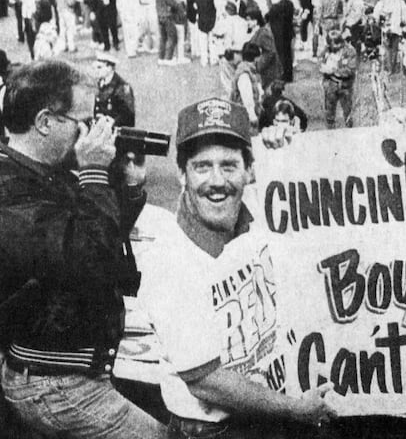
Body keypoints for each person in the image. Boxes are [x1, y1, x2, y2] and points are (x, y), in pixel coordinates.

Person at [137, 97, 337, 438]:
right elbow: (207, 382)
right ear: (181, 173)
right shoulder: (169, 260)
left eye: (229, 165)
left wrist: (285, 152)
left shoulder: (259, 208)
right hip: (215, 429)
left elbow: (328, 195)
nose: (217, 181)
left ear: (249, 170)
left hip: (269, 411)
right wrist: (294, 409)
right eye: (202, 166)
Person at [0, 60, 168, 439]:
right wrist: (92, 171)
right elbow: (88, 262)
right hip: (49, 383)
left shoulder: (39, 170)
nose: (93, 132)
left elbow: (103, 242)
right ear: (45, 121)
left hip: (68, 367)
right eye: (84, 121)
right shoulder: (9, 188)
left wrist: (125, 188)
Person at [319, 29, 357, 128]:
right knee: (329, 112)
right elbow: (320, 61)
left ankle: (350, 131)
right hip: (330, 84)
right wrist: (322, 68)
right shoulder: (327, 50)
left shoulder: (350, 51)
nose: (334, 47)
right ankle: (331, 132)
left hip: (345, 85)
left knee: (348, 111)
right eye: (331, 45)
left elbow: (350, 69)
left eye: (336, 45)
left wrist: (334, 70)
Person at [92, 51, 136, 127]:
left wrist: (113, 122)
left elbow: (129, 116)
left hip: (117, 131)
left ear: (109, 68)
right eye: (95, 67)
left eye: (99, 67)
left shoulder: (122, 87)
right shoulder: (100, 82)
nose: (96, 71)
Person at [230, 42, 264, 134]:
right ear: (256, 58)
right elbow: (247, 99)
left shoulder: (249, 70)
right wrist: (252, 116)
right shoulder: (244, 74)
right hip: (245, 117)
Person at [246, 9, 283, 91]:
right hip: (269, 71)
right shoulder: (262, 31)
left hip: (268, 71)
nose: (247, 22)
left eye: (250, 20)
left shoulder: (264, 32)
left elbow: (270, 52)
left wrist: (258, 65)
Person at [373, 0, 406, 74]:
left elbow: (376, 15)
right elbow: (405, 18)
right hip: (396, 29)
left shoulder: (382, 1)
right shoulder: (401, 2)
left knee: (387, 49)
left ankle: (389, 68)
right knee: (394, 49)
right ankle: (393, 68)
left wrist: (379, 23)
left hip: (386, 29)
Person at [267, 0, 296, 82]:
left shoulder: (276, 7)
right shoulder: (289, 4)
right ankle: (288, 75)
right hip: (287, 32)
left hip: (279, 33)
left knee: (282, 54)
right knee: (287, 54)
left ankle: (284, 74)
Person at [156, 0, 179, 65]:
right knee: (172, 37)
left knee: (163, 38)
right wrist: (178, 3)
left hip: (160, 16)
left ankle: (161, 58)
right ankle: (169, 58)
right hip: (167, 17)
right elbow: (173, 4)